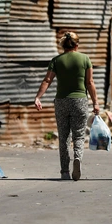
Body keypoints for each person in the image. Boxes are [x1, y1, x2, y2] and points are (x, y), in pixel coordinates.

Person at [34, 31, 100, 180]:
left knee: (64, 137)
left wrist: (38, 97)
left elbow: (47, 81)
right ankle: (77, 157)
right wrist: (95, 102)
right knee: (79, 134)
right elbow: (90, 83)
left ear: (63, 45)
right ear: (77, 44)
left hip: (61, 101)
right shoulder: (85, 59)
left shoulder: (56, 60)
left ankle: (64, 171)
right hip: (80, 101)